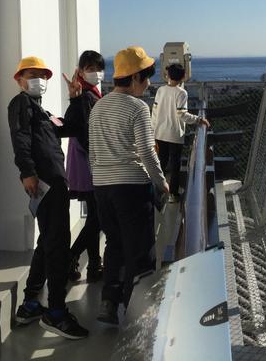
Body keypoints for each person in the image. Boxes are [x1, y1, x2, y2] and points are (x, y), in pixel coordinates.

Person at [8, 56, 88, 340]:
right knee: (57, 245)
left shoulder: (42, 111)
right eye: (32, 74)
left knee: (47, 242)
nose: (38, 80)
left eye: (42, 75)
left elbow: (72, 128)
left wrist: (75, 99)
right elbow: (20, 138)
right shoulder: (21, 104)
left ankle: (30, 303)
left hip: (54, 183)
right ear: (19, 80)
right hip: (45, 182)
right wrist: (27, 172)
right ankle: (55, 312)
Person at [88, 46, 169, 326]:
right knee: (140, 250)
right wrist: (161, 182)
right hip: (131, 187)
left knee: (114, 244)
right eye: (146, 77)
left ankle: (109, 302)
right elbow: (147, 152)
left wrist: (101, 180)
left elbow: (93, 152)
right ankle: (137, 316)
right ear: (135, 77)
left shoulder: (98, 106)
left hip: (102, 187)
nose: (148, 84)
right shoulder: (137, 108)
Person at [63, 50, 105, 283]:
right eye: (90, 69)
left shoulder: (89, 93)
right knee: (97, 218)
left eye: (98, 68)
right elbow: (83, 129)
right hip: (88, 162)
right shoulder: (85, 95)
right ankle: (72, 256)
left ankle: (94, 266)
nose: (96, 73)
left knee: (94, 217)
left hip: (86, 160)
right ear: (80, 71)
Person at [151, 63, 210, 202]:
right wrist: (199, 119)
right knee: (175, 165)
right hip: (174, 134)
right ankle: (173, 194)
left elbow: (154, 112)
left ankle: (157, 193)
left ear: (168, 75)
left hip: (159, 133)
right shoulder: (182, 93)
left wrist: (153, 130)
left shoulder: (160, 90)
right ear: (183, 77)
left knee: (161, 163)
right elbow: (182, 114)